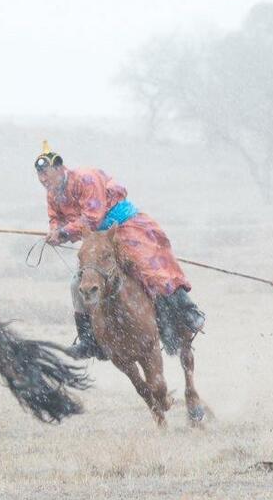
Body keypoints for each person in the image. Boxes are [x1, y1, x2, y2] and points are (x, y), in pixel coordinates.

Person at [36, 141, 205, 359]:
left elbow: (92, 217)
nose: (43, 180)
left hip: (126, 225)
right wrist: (54, 232)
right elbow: (55, 218)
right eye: (39, 176)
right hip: (96, 238)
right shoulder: (52, 192)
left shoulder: (86, 178)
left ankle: (187, 311)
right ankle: (88, 340)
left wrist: (65, 233)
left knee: (149, 266)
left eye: (46, 174)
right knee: (77, 283)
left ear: (60, 168)